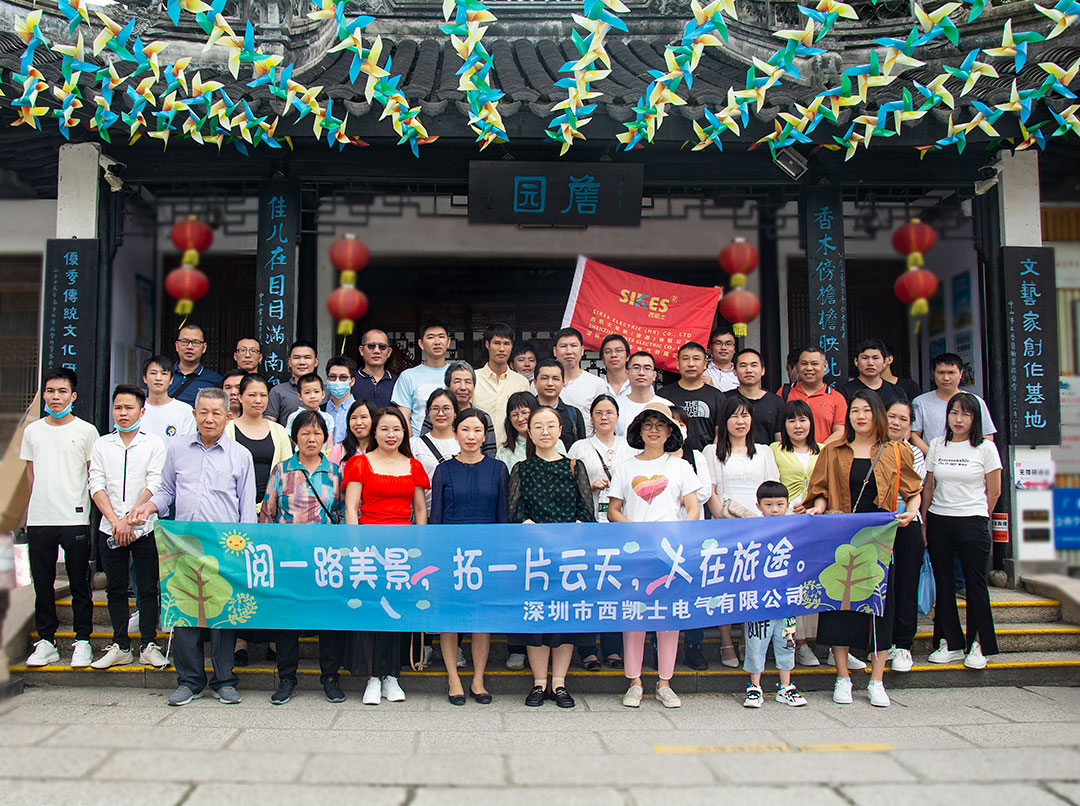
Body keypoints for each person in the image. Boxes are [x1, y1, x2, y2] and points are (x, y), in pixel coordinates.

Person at [129, 387, 256, 707]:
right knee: (186, 615)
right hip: (184, 545)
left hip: (225, 548)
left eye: (216, 413)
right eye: (204, 412)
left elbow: (246, 509)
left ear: (228, 417)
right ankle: (189, 681)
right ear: (194, 414)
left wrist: (244, 550)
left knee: (223, 617)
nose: (209, 419)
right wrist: (149, 507)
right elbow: (166, 491)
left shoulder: (241, 455)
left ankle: (224, 681)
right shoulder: (178, 449)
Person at [804, 390, 922, 708]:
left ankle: (876, 681)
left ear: (877, 414)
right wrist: (818, 507)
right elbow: (820, 490)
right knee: (839, 606)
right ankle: (842, 678)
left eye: (866, 410)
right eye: (855, 410)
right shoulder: (833, 450)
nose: (860, 415)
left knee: (880, 609)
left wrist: (911, 511)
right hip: (842, 536)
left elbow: (914, 489)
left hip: (880, 539)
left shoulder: (896, 450)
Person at [608, 401, 702, 709]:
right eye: (648, 425)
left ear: (670, 432)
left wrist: (676, 534)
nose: (654, 431)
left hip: (670, 552)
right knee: (634, 616)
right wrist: (636, 530)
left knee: (668, 618)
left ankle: (665, 682)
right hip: (635, 551)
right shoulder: (625, 467)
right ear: (639, 430)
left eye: (661, 426)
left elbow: (693, 509)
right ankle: (634, 682)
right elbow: (613, 510)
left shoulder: (681, 467)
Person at [508, 406, 595, 708]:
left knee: (563, 619)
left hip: (569, 557)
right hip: (535, 558)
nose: (544, 431)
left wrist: (565, 539)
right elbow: (515, 512)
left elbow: (586, 512)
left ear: (560, 430)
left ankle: (559, 683)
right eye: (538, 426)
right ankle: (538, 683)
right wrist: (540, 535)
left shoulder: (574, 466)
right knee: (537, 619)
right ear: (529, 432)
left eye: (550, 426)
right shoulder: (522, 469)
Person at [343, 407, 430, 705]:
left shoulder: (413, 466)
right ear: (374, 432)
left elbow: (420, 510)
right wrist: (355, 547)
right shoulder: (359, 463)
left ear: (405, 433)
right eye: (384, 429)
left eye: (397, 429)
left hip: (402, 550)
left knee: (395, 609)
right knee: (371, 609)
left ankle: (392, 675)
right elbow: (351, 508)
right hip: (368, 548)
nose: (391, 435)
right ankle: (371, 677)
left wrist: (419, 548)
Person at [258, 411, 346, 704]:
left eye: (317, 433)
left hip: (325, 559)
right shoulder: (282, 470)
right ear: (294, 437)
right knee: (287, 620)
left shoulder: (334, 472)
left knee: (329, 619)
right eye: (305, 433)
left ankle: (330, 677)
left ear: (325, 438)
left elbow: (341, 515)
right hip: (288, 558)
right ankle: (287, 678)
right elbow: (268, 514)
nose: (311, 438)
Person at [429, 407, 509, 705]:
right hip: (451, 554)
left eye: (477, 430)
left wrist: (501, 558)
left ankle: (478, 679)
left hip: (487, 554)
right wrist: (436, 558)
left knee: (481, 619)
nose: (471, 436)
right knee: (450, 618)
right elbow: (436, 518)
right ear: (455, 433)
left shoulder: (498, 469)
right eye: (465, 430)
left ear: (485, 435)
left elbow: (503, 517)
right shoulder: (443, 470)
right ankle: (453, 679)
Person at [20, 368, 99, 668]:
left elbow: (93, 474)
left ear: (73, 396)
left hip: (74, 517)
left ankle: (83, 640)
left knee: (79, 583)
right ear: (43, 395)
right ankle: (47, 641)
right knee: (43, 583)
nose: (56, 397)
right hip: (40, 518)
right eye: (50, 391)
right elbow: (30, 473)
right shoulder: (33, 431)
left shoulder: (86, 431)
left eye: (62, 391)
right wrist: (30, 510)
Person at [88, 385, 168, 670]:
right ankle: (120, 645)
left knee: (147, 588)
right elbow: (96, 484)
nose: (123, 413)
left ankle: (148, 644)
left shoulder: (154, 444)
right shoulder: (102, 444)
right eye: (118, 407)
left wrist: (131, 518)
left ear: (142, 411)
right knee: (115, 589)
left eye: (129, 408)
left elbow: (155, 482)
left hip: (144, 528)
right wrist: (115, 521)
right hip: (110, 528)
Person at [922, 392, 1002, 670]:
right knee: (943, 584)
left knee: (975, 585)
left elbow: (994, 490)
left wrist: (979, 515)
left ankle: (979, 644)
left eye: (965, 414)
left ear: (975, 418)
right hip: (939, 520)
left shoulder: (985, 448)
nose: (958, 419)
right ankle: (950, 642)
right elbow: (929, 486)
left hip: (972, 521)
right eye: (954, 413)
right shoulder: (937, 444)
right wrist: (925, 522)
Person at [705, 394, 781, 669]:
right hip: (726, 526)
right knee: (725, 586)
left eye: (745, 415)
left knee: (753, 585)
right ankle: (726, 641)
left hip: (759, 525)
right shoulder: (711, 452)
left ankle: (751, 641)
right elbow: (710, 492)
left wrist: (763, 520)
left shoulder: (764, 451)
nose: (740, 421)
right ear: (724, 421)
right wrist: (724, 519)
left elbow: (773, 488)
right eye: (734, 416)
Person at [568, 394, 634, 669]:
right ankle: (587, 650)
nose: (604, 417)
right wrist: (588, 485)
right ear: (591, 417)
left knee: (614, 585)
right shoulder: (580, 447)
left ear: (617, 416)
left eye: (609, 412)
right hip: (588, 523)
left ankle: (612, 648)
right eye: (598, 413)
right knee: (586, 585)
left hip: (620, 523)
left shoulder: (630, 447)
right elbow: (568, 484)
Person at [742, 481, 809, 709]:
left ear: (788, 505)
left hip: (786, 600)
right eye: (768, 504)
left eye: (780, 504)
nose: (774, 509)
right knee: (756, 643)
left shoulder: (793, 529)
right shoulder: (753, 530)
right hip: (759, 600)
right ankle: (754, 686)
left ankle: (786, 686)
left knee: (787, 642)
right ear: (758, 506)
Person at [770, 399, 823, 667]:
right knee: (790, 586)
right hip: (785, 524)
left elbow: (827, 486)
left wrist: (817, 505)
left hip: (815, 523)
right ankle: (795, 643)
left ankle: (817, 641)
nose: (798, 425)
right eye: (791, 420)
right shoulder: (774, 450)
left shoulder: (823, 450)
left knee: (813, 583)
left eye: (803, 420)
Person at [885, 398, 928, 673]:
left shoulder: (915, 452)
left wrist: (911, 512)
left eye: (903, 419)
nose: (896, 423)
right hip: (878, 525)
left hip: (907, 524)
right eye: (892, 416)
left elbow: (914, 489)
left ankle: (902, 645)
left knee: (905, 585)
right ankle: (882, 642)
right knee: (881, 587)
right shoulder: (872, 448)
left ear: (910, 425)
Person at [225, 374, 292, 510]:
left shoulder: (279, 431)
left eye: (263, 395)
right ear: (240, 397)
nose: (258, 400)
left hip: (270, 508)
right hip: (233, 506)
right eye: (252, 395)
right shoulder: (227, 430)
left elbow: (288, 472)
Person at [911, 353, 996, 456]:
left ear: (961, 373)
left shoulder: (975, 401)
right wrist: (933, 455)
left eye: (951, 373)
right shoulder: (920, 402)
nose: (946, 378)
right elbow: (914, 434)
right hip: (934, 461)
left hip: (968, 460)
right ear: (933, 373)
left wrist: (971, 456)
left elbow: (987, 435)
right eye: (941, 373)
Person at [659, 341, 725, 453]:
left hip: (706, 457)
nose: (691, 364)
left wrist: (713, 456)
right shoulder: (663, 395)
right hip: (671, 456)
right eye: (685, 359)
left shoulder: (716, 396)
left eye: (696, 359)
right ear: (678, 364)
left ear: (705, 364)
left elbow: (720, 434)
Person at [473, 323, 530, 447]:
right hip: (478, 449)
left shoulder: (521, 382)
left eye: (506, 343)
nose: (502, 349)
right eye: (497, 343)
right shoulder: (473, 379)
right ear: (487, 344)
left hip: (512, 450)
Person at [393, 319, 452, 435]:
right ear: (421, 344)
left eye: (441, 337)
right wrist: (412, 443)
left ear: (448, 342)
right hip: (419, 442)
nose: (437, 342)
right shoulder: (408, 376)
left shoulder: (457, 374)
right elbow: (404, 418)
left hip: (453, 442)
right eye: (430, 337)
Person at [431, 361, 496, 457]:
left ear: (474, 387)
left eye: (468, 382)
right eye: (457, 382)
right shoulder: (437, 415)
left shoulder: (484, 418)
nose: (463, 387)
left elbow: (490, 455)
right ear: (447, 386)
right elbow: (424, 446)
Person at [785, 347, 847, 447]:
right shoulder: (785, 392)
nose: (809, 368)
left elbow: (840, 432)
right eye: (804, 363)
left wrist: (819, 451)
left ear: (825, 366)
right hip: (790, 454)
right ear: (797, 367)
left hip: (824, 454)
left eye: (814, 364)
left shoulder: (836, 398)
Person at [411, 388, 461, 512]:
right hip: (424, 513)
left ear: (455, 412)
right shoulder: (415, 444)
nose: (440, 413)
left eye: (446, 408)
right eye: (435, 408)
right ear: (428, 412)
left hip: (456, 513)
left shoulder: (463, 444)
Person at [553, 327, 606, 434]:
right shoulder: (542, 384)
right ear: (555, 351)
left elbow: (602, 420)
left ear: (582, 350)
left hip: (585, 442)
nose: (569, 351)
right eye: (563, 346)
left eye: (573, 346)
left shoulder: (597, 384)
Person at [497, 391, 564, 474]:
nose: (520, 419)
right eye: (515, 415)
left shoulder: (554, 443)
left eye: (524, 412)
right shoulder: (504, 452)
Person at [727, 348, 784, 445]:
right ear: (735, 371)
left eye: (754, 365)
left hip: (766, 453)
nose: (749, 370)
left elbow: (779, 439)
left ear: (763, 370)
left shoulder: (776, 402)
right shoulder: (725, 399)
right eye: (743, 365)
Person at [141, 354, 196, 444]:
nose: (158, 378)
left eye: (164, 374)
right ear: (145, 378)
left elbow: (187, 447)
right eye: (153, 373)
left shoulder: (185, 411)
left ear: (171, 380)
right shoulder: (136, 409)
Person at [534, 358, 585, 451]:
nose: (550, 383)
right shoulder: (527, 412)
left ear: (563, 383)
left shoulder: (573, 414)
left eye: (555, 379)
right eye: (544, 378)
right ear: (535, 382)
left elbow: (581, 449)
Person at [617, 351, 673, 436]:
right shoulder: (615, 406)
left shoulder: (666, 406)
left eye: (647, 368)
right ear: (627, 373)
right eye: (636, 368)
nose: (641, 373)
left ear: (654, 375)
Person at [266, 340, 320, 423]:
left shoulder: (326, 391)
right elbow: (270, 423)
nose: (302, 362)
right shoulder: (278, 391)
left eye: (307, 357)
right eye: (296, 358)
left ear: (316, 362)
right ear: (289, 362)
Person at [169, 324, 223, 406]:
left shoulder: (215, 380)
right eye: (184, 342)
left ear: (204, 348)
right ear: (177, 346)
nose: (189, 347)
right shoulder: (163, 376)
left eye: (195, 343)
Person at [837, 339, 901, 407]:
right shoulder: (845, 392)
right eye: (865, 358)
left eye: (875, 358)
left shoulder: (897, 392)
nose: (870, 363)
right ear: (856, 361)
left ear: (884, 362)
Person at [354, 328, 397, 409]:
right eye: (371, 346)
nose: (376, 351)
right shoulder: (351, 381)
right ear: (361, 350)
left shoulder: (398, 382)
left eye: (382, 347)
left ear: (389, 352)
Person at [328, 398, 377, 469]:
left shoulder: (382, 449)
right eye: (354, 418)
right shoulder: (339, 450)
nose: (358, 423)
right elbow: (330, 474)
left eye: (363, 417)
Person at [284, 373, 336, 438]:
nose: (312, 396)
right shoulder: (294, 417)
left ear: (323, 394)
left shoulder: (327, 418)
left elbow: (329, 441)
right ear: (300, 396)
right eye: (307, 393)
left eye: (316, 392)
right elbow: (290, 439)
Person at [324, 356, 358, 444]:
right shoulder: (320, 410)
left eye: (343, 377)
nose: (337, 381)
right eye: (332, 377)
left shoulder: (360, 411)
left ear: (352, 381)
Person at [704, 326, 739, 391]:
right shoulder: (703, 372)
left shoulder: (741, 373)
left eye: (728, 344)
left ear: (734, 348)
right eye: (718, 343)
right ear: (711, 347)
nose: (723, 348)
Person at [600, 333, 631, 398]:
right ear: (603, 359)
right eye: (608, 352)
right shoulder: (597, 386)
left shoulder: (639, 385)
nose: (613, 355)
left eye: (619, 350)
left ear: (628, 356)